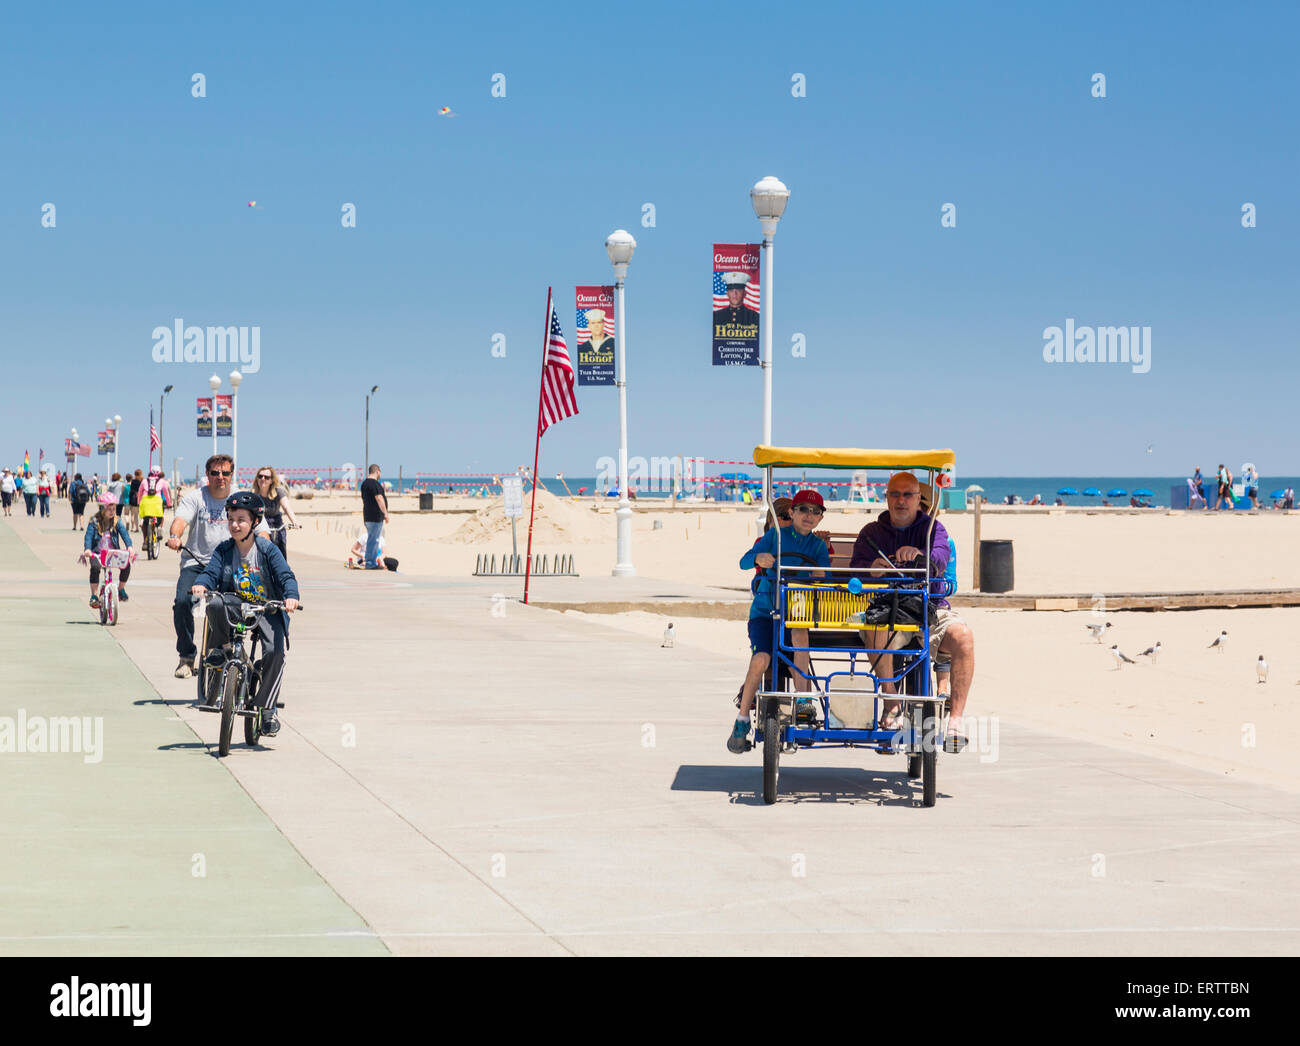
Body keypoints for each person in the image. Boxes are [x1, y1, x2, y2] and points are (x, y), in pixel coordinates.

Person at [850, 471, 975, 752]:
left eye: (908, 495)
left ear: (919, 499)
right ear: (886, 498)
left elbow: (940, 558)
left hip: (929, 608)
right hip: (884, 608)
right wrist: (870, 571)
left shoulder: (933, 528)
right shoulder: (871, 532)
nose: (901, 501)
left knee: (964, 637)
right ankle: (892, 702)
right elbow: (854, 572)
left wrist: (920, 554)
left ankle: (955, 721)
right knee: (874, 630)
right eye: (895, 494)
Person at [727, 490, 831, 753]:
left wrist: (818, 574)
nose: (809, 516)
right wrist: (758, 558)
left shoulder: (817, 546)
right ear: (793, 513)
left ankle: (804, 700)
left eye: (815, 511)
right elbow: (743, 561)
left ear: (820, 518)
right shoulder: (775, 536)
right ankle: (741, 719)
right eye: (803, 510)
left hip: (796, 610)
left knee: (799, 635)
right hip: (766, 611)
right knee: (761, 658)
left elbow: (824, 577)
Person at [191, 492, 300, 736]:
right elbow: (211, 572)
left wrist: (291, 596)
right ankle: (223, 649)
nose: (235, 525)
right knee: (216, 604)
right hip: (236, 604)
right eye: (231, 519)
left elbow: (286, 576)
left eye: (241, 519)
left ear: (254, 522)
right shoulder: (224, 549)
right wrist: (202, 583)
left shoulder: (268, 550)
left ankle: (267, 709)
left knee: (275, 653)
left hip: (267, 607)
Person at [166, 454, 247, 678]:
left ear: (232, 475)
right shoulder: (196, 498)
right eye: (215, 473)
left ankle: (228, 650)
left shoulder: (240, 498)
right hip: (196, 562)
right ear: (208, 475)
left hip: (229, 564)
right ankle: (186, 656)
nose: (220, 477)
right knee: (182, 602)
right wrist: (175, 536)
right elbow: (181, 519)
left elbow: (260, 529)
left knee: (236, 607)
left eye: (225, 473)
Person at [80, 493, 132, 608]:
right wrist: (87, 550)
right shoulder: (94, 521)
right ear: (102, 509)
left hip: (113, 554)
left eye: (114, 509)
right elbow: (88, 536)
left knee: (126, 565)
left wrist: (129, 546)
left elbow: (125, 534)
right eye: (109, 509)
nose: (112, 511)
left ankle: (121, 589)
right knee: (95, 568)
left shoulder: (117, 521)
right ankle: (94, 595)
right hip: (98, 554)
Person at [252, 466, 299, 559]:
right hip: (261, 526)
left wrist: (294, 521)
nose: (263, 479)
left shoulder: (278, 492)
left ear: (271, 480)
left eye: (267, 477)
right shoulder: (254, 495)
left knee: (280, 555)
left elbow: (286, 506)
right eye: (260, 476)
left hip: (277, 526)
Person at [359, 464, 389, 570]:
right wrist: (385, 513)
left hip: (367, 516)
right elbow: (379, 498)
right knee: (374, 540)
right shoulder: (375, 484)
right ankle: (371, 563)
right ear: (377, 471)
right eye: (380, 472)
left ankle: (370, 561)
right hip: (375, 517)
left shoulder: (364, 484)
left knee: (372, 539)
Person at [138, 466, 171, 546]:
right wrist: (169, 503)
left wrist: (139, 502)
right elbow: (166, 493)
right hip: (157, 501)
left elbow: (140, 492)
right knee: (161, 517)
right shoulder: (162, 481)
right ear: (159, 473)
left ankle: (145, 541)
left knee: (145, 522)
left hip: (145, 501)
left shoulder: (144, 480)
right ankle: (159, 528)